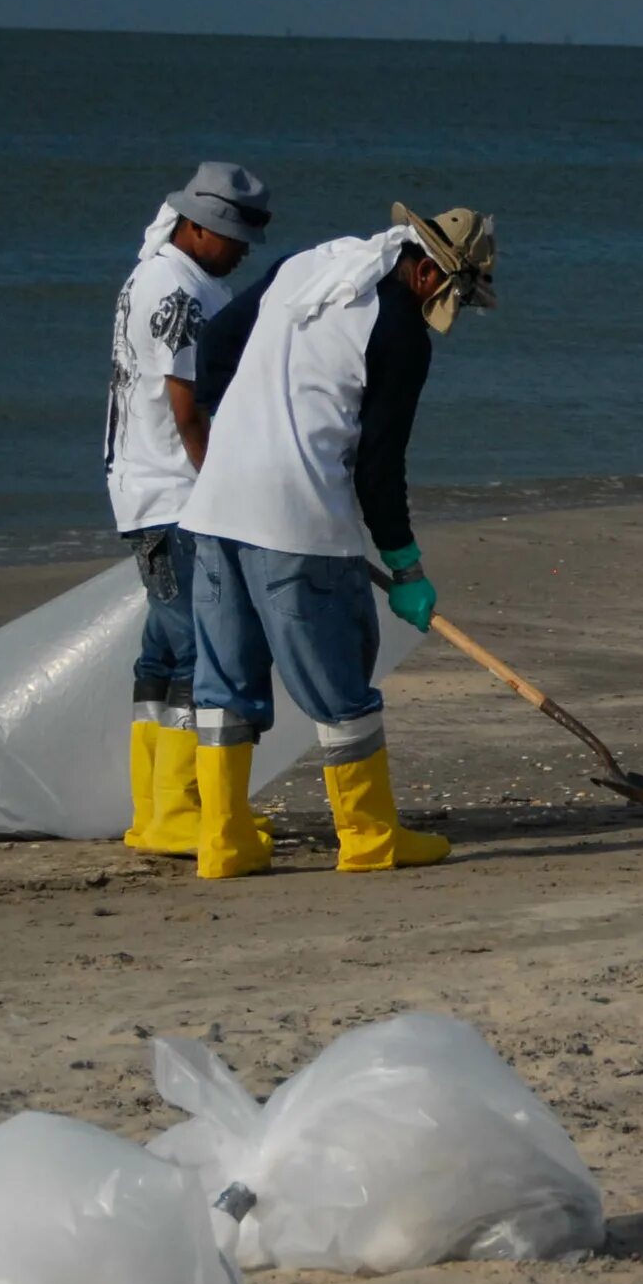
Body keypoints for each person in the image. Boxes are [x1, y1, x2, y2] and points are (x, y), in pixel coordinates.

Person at [179, 202, 498, 878]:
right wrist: (405, 565)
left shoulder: (306, 267)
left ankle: (224, 842)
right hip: (298, 525)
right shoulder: (401, 335)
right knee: (340, 685)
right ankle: (369, 836)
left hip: (214, 508)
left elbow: (212, 346)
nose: (454, 309)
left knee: (225, 685)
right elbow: (380, 465)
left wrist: (239, 425)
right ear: (430, 274)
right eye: (457, 295)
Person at [103, 162, 270, 857]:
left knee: (164, 648)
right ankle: (178, 806)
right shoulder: (177, 289)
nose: (242, 249)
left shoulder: (159, 274)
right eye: (232, 236)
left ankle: (155, 809)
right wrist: (218, 483)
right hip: (172, 492)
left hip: (140, 488)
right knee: (200, 646)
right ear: (195, 227)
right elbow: (184, 400)